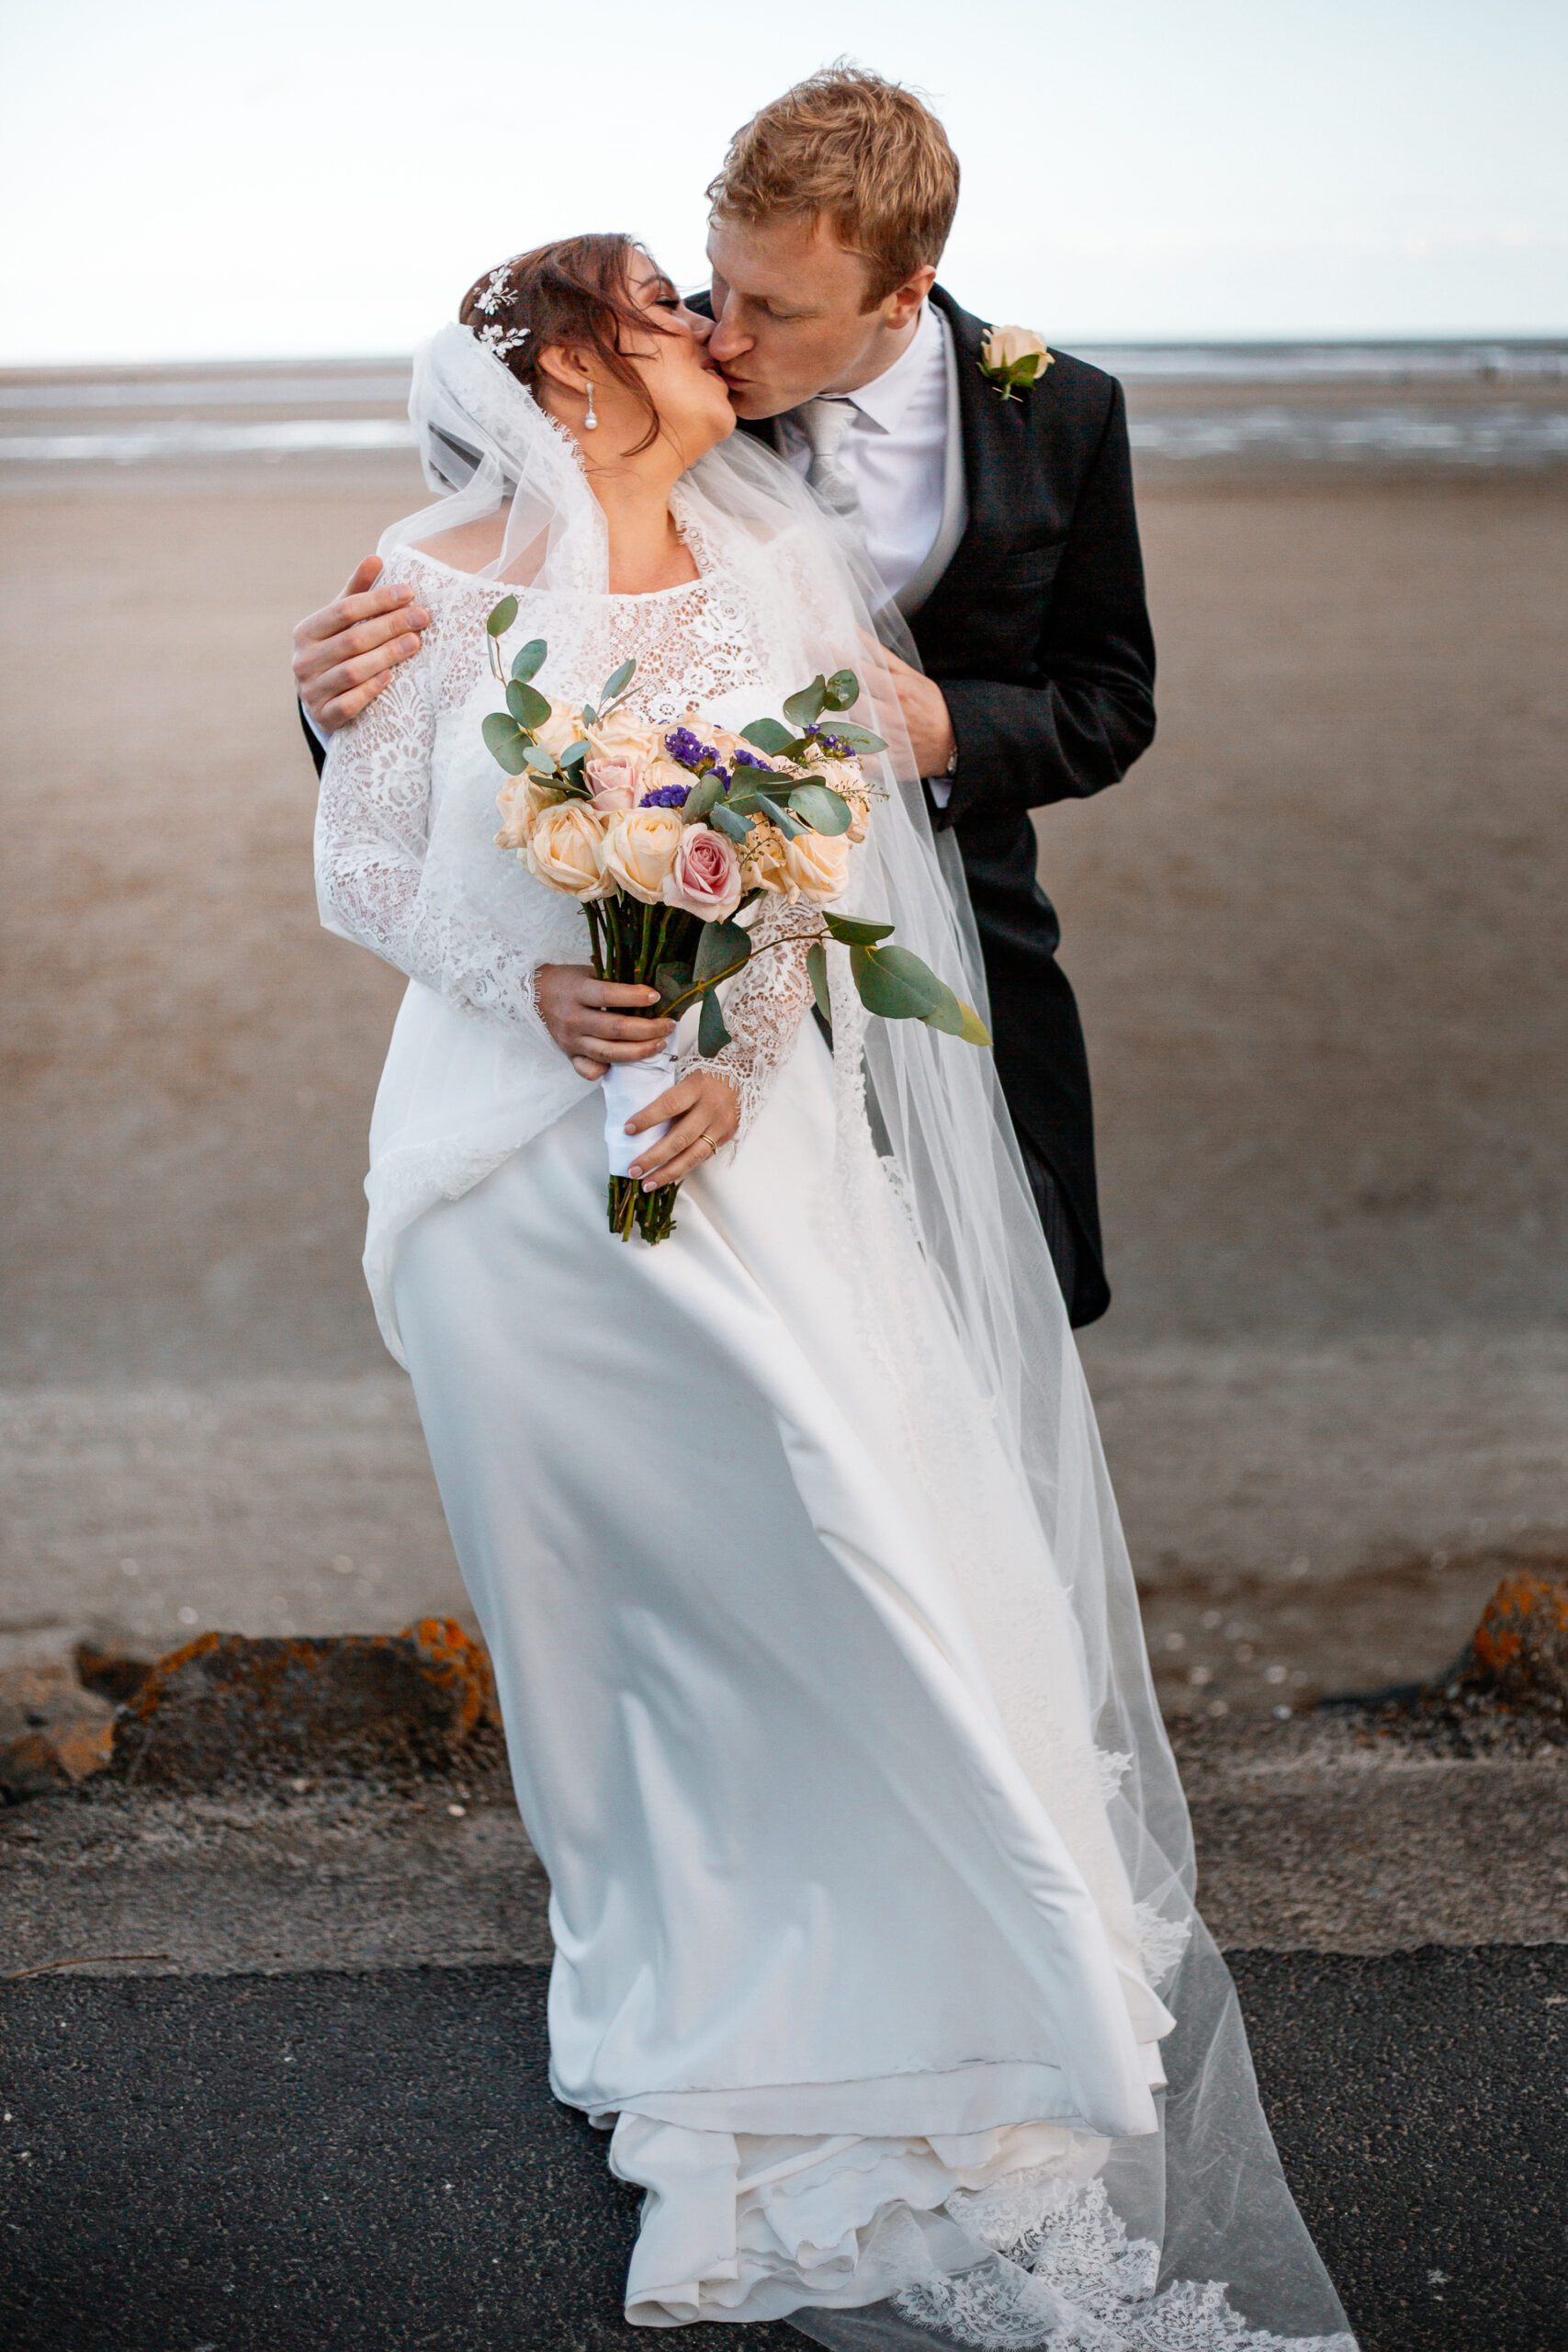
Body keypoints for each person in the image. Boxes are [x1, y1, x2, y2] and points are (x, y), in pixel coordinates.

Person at [312, 229, 1354, 2346]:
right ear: (572, 385)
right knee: (591, 1585)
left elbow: (809, 868)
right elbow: (369, 856)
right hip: (508, 1170)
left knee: (829, 1522)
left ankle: (937, 1937)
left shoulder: (769, 568)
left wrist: (729, 1052)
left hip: (737, 1150)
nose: (704, 330)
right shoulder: (412, 580)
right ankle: (665, 1921)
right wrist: (517, 974)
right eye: (651, 305)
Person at [295, 66, 1156, 1329]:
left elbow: (1110, 700)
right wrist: (330, 697)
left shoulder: (1064, 413)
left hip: (961, 937)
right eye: (717, 281)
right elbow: (482, 627)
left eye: (775, 307)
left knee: (992, 1317)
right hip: (649, 984)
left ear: (901, 294)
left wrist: (953, 733)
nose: (724, 330)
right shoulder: (649, 379)